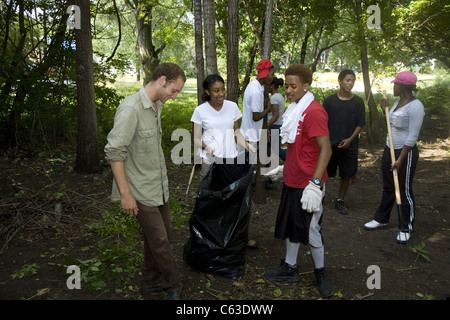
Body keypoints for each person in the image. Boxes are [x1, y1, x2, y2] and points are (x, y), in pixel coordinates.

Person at [104, 63, 186, 300]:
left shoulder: (157, 105)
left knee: (162, 237)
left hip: (158, 187)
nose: (175, 96)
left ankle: (150, 282)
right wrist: (126, 194)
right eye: (174, 90)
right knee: (160, 241)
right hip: (139, 189)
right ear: (162, 80)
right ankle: (174, 285)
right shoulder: (131, 109)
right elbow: (114, 153)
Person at [263, 64, 334, 298]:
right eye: (288, 86)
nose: (289, 90)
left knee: (311, 228)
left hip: (309, 184)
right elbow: (300, 149)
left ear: (306, 85)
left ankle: (320, 272)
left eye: (294, 86)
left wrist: (315, 183)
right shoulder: (295, 110)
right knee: (293, 224)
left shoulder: (314, 111)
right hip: (293, 178)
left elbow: (326, 150)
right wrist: (285, 168)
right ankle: (290, 267)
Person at [364, 71, 425, 244]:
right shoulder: (398, 102)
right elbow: (392, 125)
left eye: (395, 84)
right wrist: (385, 110)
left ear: (402, 86)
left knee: (403, 190)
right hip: (389, 148)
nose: (393, 86)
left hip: (405, 152)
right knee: (388, 186)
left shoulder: (415, 106)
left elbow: (413, 136)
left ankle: (406, 226)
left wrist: (400, 159)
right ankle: (382, 219)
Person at [191, 74, 254, 177]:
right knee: (210, 192)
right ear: (208, 92)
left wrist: (246, 144)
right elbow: (195, 138)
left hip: (230, 159)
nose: (221, 93)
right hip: (210, 160)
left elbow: (236, 132)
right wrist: (206, 147)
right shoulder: (200, 111)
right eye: (216, 91)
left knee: (229, 191)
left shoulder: (232, 106)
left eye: (223, 89)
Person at [323, 70, 366, 214]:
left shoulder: (358, 102)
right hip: (330, 144)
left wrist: (350, 139)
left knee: (346, 174)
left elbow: (360, 124)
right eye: (347, 80)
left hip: (349, 145)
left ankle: (340, 200)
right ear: (340, 81)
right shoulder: (329, 101)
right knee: (325, 171)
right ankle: (319, 196)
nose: (350, 83)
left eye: (353, 80)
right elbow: (322, 123)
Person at [240, 59, 276, 191]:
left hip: (252, 132)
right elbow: (255, 117)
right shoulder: (255, 91)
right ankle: (245, 190)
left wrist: (264, 129)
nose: (273, 77)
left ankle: (247, 187)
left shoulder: (257, 86)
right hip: (251, 134)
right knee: (248, 165)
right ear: (265, 74)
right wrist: (268, 109)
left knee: (249, 163)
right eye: (272, 74)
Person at [267, 77, 286, 162]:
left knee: (275, 149)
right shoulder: (279, 96)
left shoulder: (274, 98)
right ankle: (267, 164)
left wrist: (266, 126)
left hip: (274, 126)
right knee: (268, 146)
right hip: (277, 125)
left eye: (268, 85)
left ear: (272, 86)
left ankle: (290, 161)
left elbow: (276, 115)